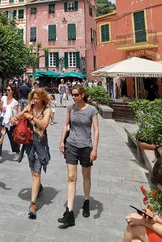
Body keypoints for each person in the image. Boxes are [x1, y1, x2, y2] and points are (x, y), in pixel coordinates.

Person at [58, 85, 99, 228]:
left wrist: (94, 149)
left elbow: (96, 130)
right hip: (71, 145)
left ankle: (86, 201)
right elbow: (65, 126)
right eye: (72, 94)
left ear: (82, 95)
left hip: (86, 147)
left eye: (76, 94)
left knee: (86, 176)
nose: (73, 97)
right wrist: (62, 141)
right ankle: (70, 212)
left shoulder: (92, 110)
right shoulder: (71, 108)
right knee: (71, 178)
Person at [11, 88, 52, 220]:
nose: (34, 100)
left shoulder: (47, 110)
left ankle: (32, 204)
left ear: (43, 98)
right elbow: (20, 115)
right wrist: (14, 118)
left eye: (37, 98)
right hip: (29, 143)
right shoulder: (30, 106)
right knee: (32, 169)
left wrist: (32, 117)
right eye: (33, 98)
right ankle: (38, 187)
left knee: (36, 173)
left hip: (40, 143)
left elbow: (44, 125)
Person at [0, 85, 21, 161]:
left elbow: (15, 114)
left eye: (9, 90)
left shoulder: (15, 102)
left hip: (10, 122)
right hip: (2, 120)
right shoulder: (3, 98)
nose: (7, 91)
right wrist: (3, 108)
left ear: (12, 91)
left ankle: (17, 153)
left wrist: (8, 109)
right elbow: (0, 107)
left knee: (12, 139)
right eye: (7, 90)